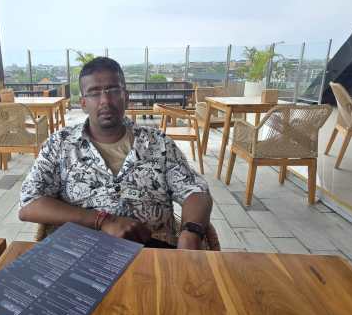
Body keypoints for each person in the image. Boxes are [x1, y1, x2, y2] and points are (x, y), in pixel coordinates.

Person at [19, 57, 212, 250]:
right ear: (83, 103)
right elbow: (29, 203)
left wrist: (191, 232)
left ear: (126, 96)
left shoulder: (158, 144)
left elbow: (195, 191)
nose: (105, 101)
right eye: (94, 93)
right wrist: (103, 221)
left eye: (113, 90)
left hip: (153, 255)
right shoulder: (60, 144)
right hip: (79, 255)